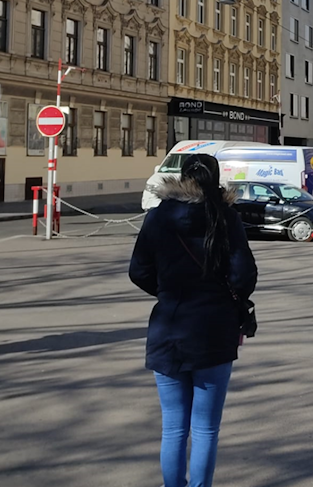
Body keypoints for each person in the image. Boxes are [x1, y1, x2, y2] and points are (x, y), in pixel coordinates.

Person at [129, 154, 258, 487]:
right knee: (205, 428)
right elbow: (244, 275)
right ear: (215, 178)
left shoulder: (157, 217)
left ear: (183, 177)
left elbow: (138, 271)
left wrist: (168, 291)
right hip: (215, 330)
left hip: (168, 326)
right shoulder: (226, 217)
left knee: (173, 427)